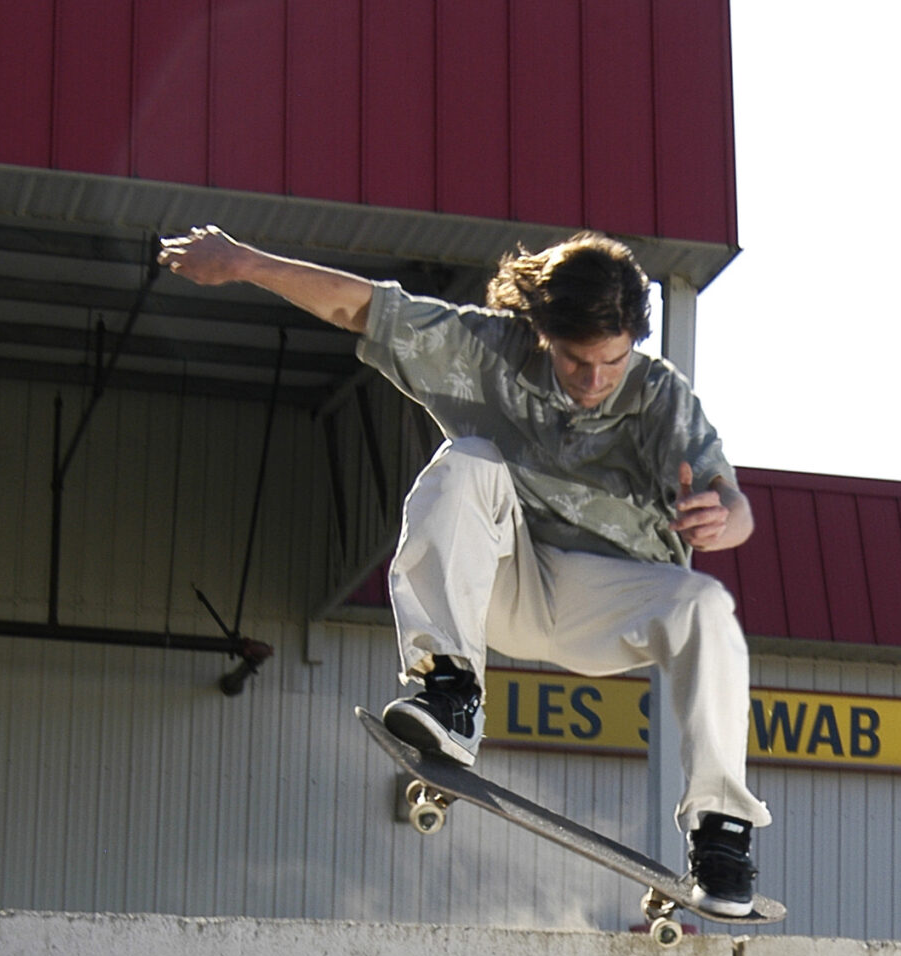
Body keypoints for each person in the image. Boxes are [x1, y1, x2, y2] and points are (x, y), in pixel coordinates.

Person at [159, 225, 770, 914]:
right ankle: (448, 692)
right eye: (575, 362)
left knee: (707, 605)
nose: (593, 382)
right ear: (540, 331)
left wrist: (723, 517)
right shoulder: (486, 350)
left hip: (609, 603)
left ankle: (722, 831)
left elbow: (734, 504)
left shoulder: (661, 398)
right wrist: (243, 262)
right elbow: (358, 307)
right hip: (508, 585)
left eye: (611, 362)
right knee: (467, 460)